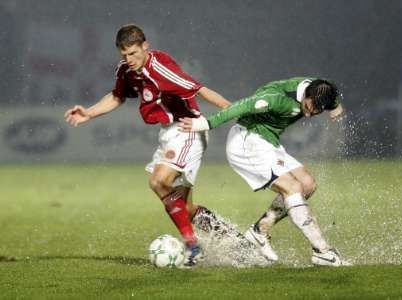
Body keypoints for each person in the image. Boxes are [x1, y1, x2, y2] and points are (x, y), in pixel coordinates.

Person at [64, 24, 239, 267]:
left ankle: (193, 247)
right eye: (124, 55)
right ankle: (236, 241)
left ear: (145, 45)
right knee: (185, 209)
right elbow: (117, 96)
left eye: (134, 53)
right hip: (168, 133)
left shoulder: (161, 69)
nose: (129, 59)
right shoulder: (127, 70)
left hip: (187, 127)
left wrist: (238, 111)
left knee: (158, 181)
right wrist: (89, 113)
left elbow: (200, 90)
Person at [178, 77, 351, 266]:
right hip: (247, 141)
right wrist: (205, 124)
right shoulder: (276, 99)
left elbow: (330, 95)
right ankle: (322, 251)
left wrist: (335, 107)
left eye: (316, 112)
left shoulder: (318, 91)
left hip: (268, 142)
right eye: (308, 108)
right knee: (292, 188)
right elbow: (240, 107)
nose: (309, 115)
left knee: (308, 185)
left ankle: (260, 230)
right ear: (305, 94)